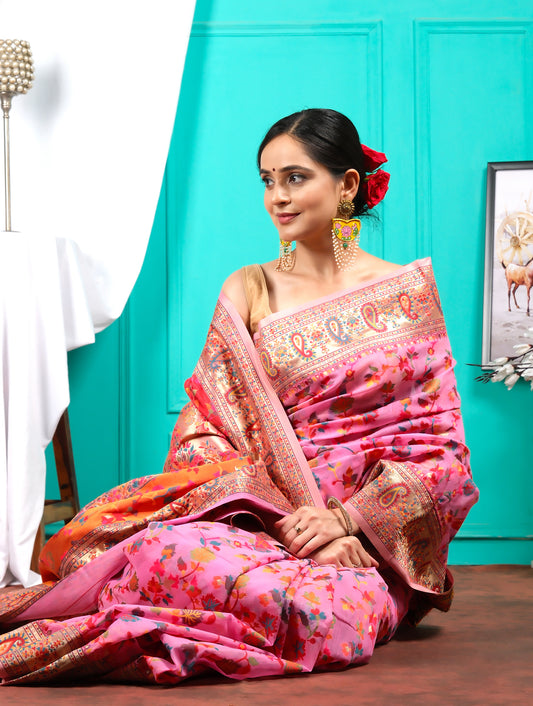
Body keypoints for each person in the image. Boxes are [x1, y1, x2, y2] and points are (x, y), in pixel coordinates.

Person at [0, 109, 478, 685]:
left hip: (361, 550)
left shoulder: (406, 294)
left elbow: (444, 459)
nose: (277, 196)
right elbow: (205, 433)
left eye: (296, 177)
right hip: (263, 526)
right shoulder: (251, 287)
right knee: (162, 551)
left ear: (347, 184)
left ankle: (166, 623)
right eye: (267, 180)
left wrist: (345, 523)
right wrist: (287, 524)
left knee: (329, 618)